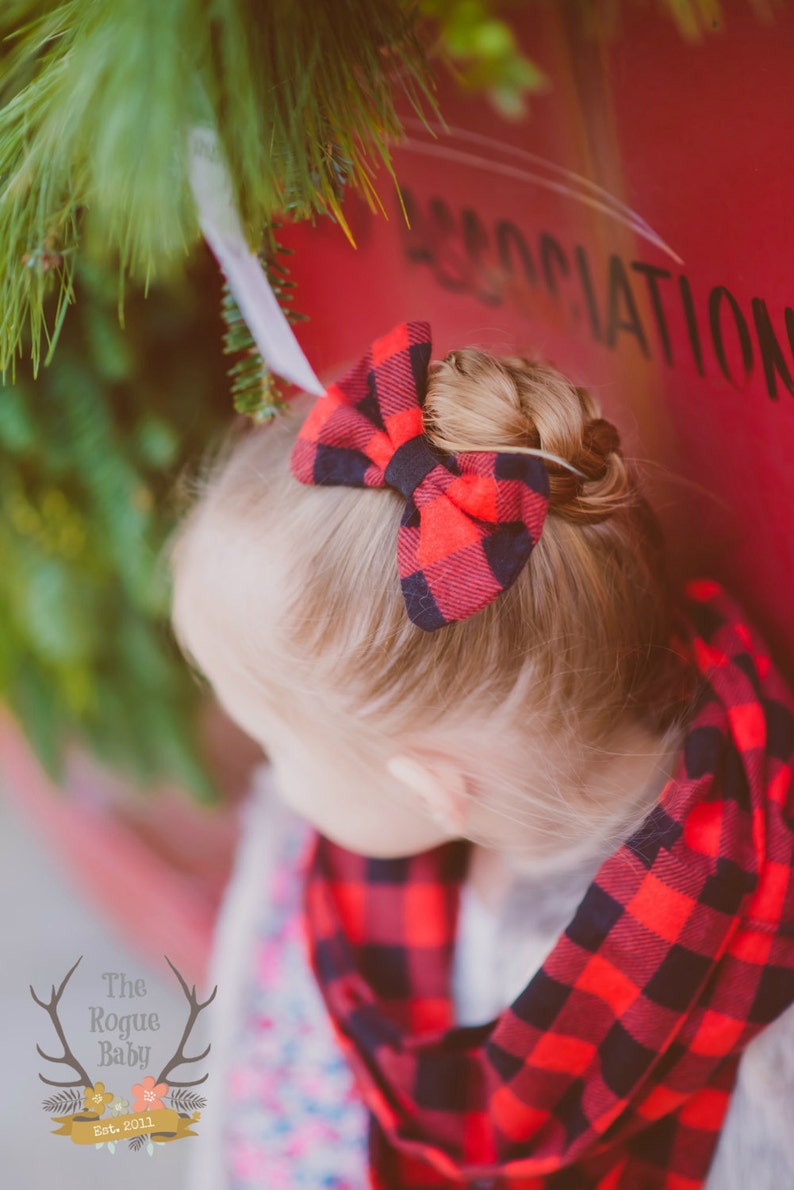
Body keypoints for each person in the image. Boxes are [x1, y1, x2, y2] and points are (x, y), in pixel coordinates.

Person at [170, 322, 794, 1189]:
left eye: (279, 742)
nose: (273, 778)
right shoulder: (319, 869)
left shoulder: (761, 1042)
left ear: (434, 789)